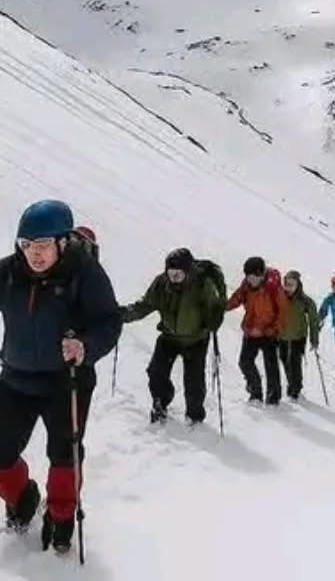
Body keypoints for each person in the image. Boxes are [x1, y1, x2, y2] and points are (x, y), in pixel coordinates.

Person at [0, 201, 121, 554]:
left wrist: (85, 346)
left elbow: (108, 322)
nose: (34, 255)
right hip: (15, 377)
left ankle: (62, 516)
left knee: (64, 453)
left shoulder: (85, 274)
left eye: (42, 246)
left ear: (62, 242)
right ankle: (23, 497)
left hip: (66, 380)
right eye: (26, 245)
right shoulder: (9, 273)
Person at [121, 248, 226, 424]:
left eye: (178, 274)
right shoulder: (161, 284)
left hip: (196, 339)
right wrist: (124, 314)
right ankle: (161, 402)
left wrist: (214, 320)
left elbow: (214, 308)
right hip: (169, 337)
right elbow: (146, 305)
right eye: (170, 273)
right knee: (156, 372)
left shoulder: (202, 284)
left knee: (194, 381)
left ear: (188, 271)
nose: (174, 277)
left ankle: (195, 416)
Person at [224, 257, 284, 405]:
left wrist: (274, 329)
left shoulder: (273, 288)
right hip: (251, 330)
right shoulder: (245, 287)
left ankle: (273, 396)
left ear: (262, 274)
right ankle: (255, 392)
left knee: (271, 365)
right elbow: (235, 299)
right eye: (249, 276)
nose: (252, 280)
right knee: (245, 362)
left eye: (255, 276)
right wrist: (222, 308)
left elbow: (283, 312)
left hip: (269, 332)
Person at [279, 270, 319, 400]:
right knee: (285, 360)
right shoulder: (279, 298)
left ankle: (295, 389)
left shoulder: (305, 301)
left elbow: (313, 321)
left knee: (294, 362)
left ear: (298, 285)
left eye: (292, 284)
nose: (289, 287)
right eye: (287, 284)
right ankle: (292, 383)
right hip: (282, 336)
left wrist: (314, 339)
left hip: (298, 336)